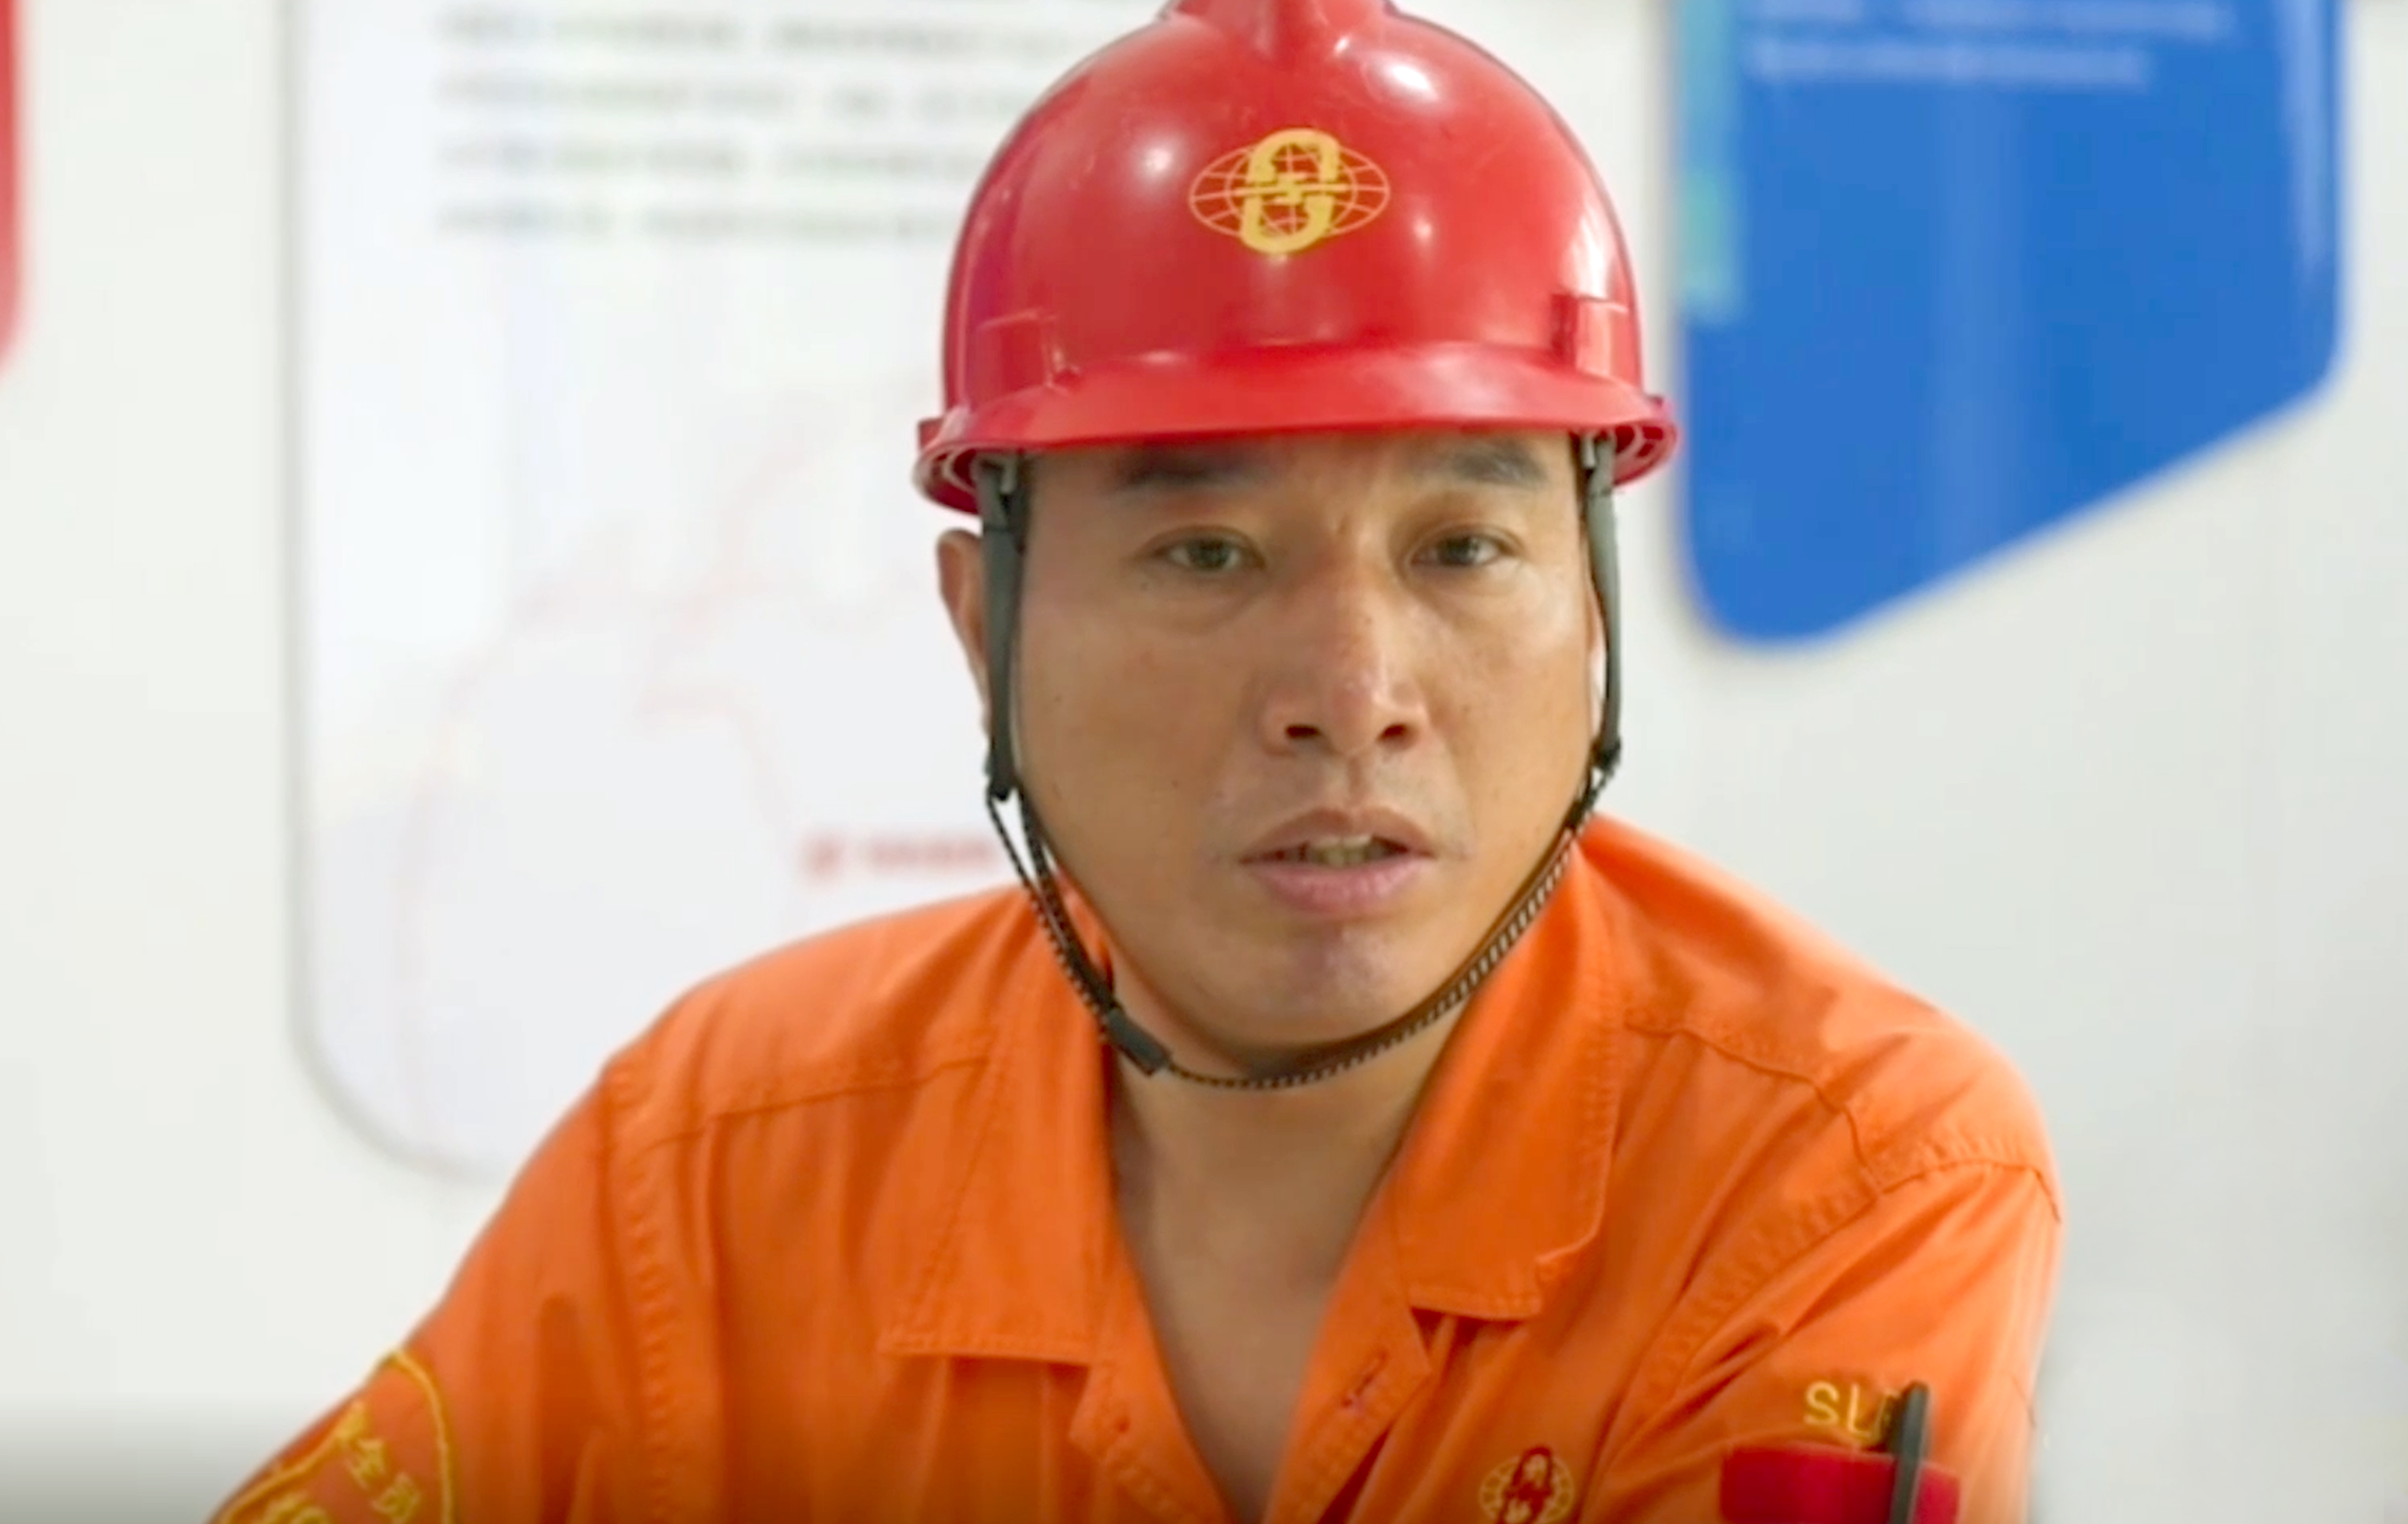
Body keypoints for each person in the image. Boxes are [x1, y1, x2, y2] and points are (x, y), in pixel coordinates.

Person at [212, 1, 2060, 1520]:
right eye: (1204, 554)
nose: (1351, 692)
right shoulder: (714, 1167)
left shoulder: (1834, 1170)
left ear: (1587, 607)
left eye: (1460, 547)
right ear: (984, 628)